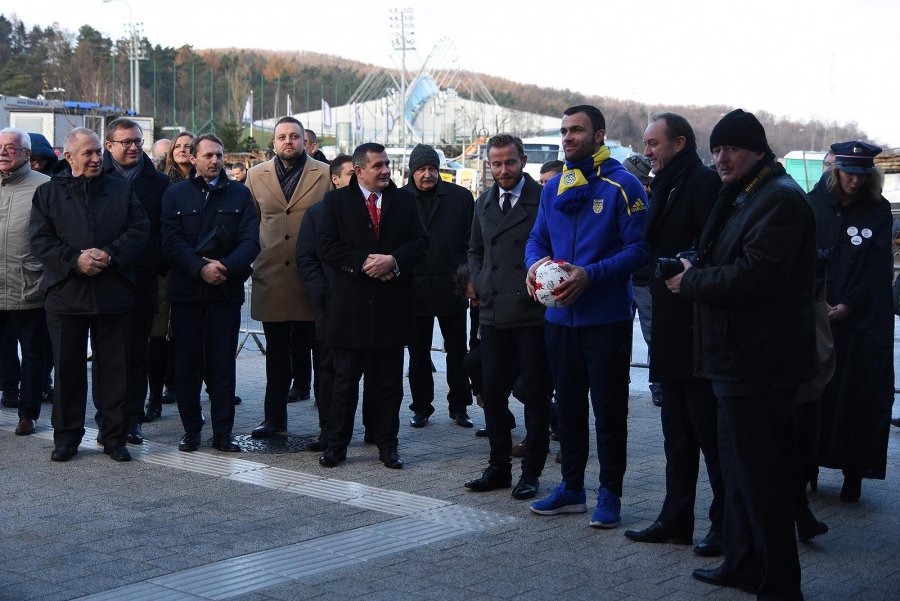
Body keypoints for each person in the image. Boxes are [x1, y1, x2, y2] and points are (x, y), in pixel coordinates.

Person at [667, 109, 813, 600]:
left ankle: (779, 583)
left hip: (760, 363)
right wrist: (696, 262)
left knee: (763, 478)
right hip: (736, 360)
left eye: (730, 148)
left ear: (756, 149)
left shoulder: (780, 199)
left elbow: (757, 276)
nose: (721, 157)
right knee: (740, 474)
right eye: (716, 148)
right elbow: (733, 258)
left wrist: (691, 281)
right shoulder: (748, 194)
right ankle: (745, 564)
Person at [526, 105, 648, 528]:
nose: (568, 137)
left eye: (577, 130)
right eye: (564, 130)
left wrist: (589, 275)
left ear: (599, 135)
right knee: (570, 409)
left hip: (606, 320)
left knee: (610, 412)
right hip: (559, 322)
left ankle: (610, 494)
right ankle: (571, 488)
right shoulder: (554, 187)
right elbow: (536, 238)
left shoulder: (624, 184)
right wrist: (533, 267)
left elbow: (638, 250)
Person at [623, 113, 723, 555]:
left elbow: (712, 249)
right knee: (676, 433)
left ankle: (723, 522)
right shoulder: (665, 184)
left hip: (696, 330)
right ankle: (675, 517)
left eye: (654, 144)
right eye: (646, 144)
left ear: (679, 143)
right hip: (668, 325)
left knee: (708, 434)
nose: (647, 152)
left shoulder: (701, 183)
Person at [30, 127, 149, 463]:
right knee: (67, 373)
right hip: (67, 295)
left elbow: (139, 230)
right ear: (69, 157)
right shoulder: (49, 194)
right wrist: (75, 261)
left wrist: (110, 255)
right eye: (89, 153)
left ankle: (114, 437)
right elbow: (40, 240)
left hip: (114, 294)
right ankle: (66, 438)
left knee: (115, 372)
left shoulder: (121, 189)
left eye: (98, 152)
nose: (96, 158)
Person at [316, 142, 428, 469]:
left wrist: (393, 260)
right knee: (344, 384)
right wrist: (364, 263)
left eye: (388, 164)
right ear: (359, 170)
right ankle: (337, 446)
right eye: (378, 165)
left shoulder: (404, 200)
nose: (385, 171)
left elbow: (421, 242)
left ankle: (387, 445)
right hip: (349, 310)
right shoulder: (336, 201)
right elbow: (326, 246)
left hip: (391, 309)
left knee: (389, 385)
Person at [464, 133, 551, 501]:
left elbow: (554, 247)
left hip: (533, 313)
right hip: (493, 312)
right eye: (496, 164)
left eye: (510, 162)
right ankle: (498, 465)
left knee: (535, 395)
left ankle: (531, 472)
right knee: (493, 393)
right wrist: (480, 279)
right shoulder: (483, 202)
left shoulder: (545, 200)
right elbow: (474, 250)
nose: (503, 170)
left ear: (523, 159)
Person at [161, 133, 260, 453]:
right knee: (187, 366)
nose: (215, 161)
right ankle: (191, 430)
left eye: (219, 155)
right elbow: (171, 241)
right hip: (187, 294)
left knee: (222, 367)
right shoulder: (175, 195)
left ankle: (223, 432)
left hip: (225, 294)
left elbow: (250, 242)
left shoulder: (240, 195)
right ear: (193, 157)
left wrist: (225, 268)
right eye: (208, 155)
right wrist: (199, 268)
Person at [811, 140, 894, 503]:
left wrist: (849, 303)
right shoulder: (814, 206)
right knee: (814, 394)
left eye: (862, 175)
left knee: (857, 396)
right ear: (836, 172)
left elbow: (877, 271)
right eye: (849, 174)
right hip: (816, 314)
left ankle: (853, 472)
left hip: (860, 323)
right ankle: (807, 464)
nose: (855, 182)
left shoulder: (877, 211)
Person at [245, 116, 331, 437]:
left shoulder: (324, 174)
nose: (288, 142)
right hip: (271, 277)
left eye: (294, 136)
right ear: (274, 142)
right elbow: (249, 225)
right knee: (276, 356)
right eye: (281, 137)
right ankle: (274, 419)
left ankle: (328, 423)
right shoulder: (255, 176)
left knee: (320, 353)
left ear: (304, 142)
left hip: (312, 279)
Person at [101, 117, 169, 446]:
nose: (133, 147)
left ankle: (132, 419)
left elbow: (164, 233)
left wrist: (154, 264)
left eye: (137, 142)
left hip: (142, 280)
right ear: (109, 145)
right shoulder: (93, 177)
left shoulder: (158, 184)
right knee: (106, 356)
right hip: (102, 281)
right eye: (125, 142)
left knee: (137, 356)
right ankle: (106, 419)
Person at [404, 143, 475, 429]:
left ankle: (460, 406)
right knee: (417, 354)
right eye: (421, 169)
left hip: (451, 287)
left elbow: (470, 243)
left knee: (458, 351)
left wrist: (464, 278)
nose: (427, 174)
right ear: (412, 172)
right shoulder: (399, 198)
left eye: (432, 168)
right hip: (413, 289)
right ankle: (421, 407)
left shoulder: (460, 198)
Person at [0, 127, 50, 436]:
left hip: (30, 284)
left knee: (34, 352)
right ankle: (8, 389)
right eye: (0, 147)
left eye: (11, 147)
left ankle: (28, 413)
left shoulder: (44, 187)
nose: (3, 152)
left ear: (27, 154)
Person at [146, 131, 195, 418]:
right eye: (179, 146)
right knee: (158, 334)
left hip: (194, 267)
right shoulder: (160, 182)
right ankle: (154, 396)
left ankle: (183, 386)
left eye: (190, 146)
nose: (184, 150)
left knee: (188, 334)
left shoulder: (205, 182)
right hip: (165, 266)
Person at [622, 152, 663, 407]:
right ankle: (620, 381)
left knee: (652, 335)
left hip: (645, 279)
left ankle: (657, 383)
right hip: (627, 277)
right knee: (620, 334)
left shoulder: (653, 201)